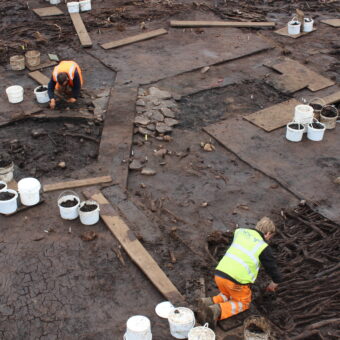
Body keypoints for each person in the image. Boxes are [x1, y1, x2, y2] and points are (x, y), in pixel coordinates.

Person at [198, 217, 282, 328]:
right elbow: (271, 268)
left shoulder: (240, 232)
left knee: (228, 293)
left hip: (220, 273)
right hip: (236, 281)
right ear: (267, 234)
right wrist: (275, 282)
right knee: (243, 302)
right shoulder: (263, 247)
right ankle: (217, 311)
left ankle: (208, 302)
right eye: (270, 236)